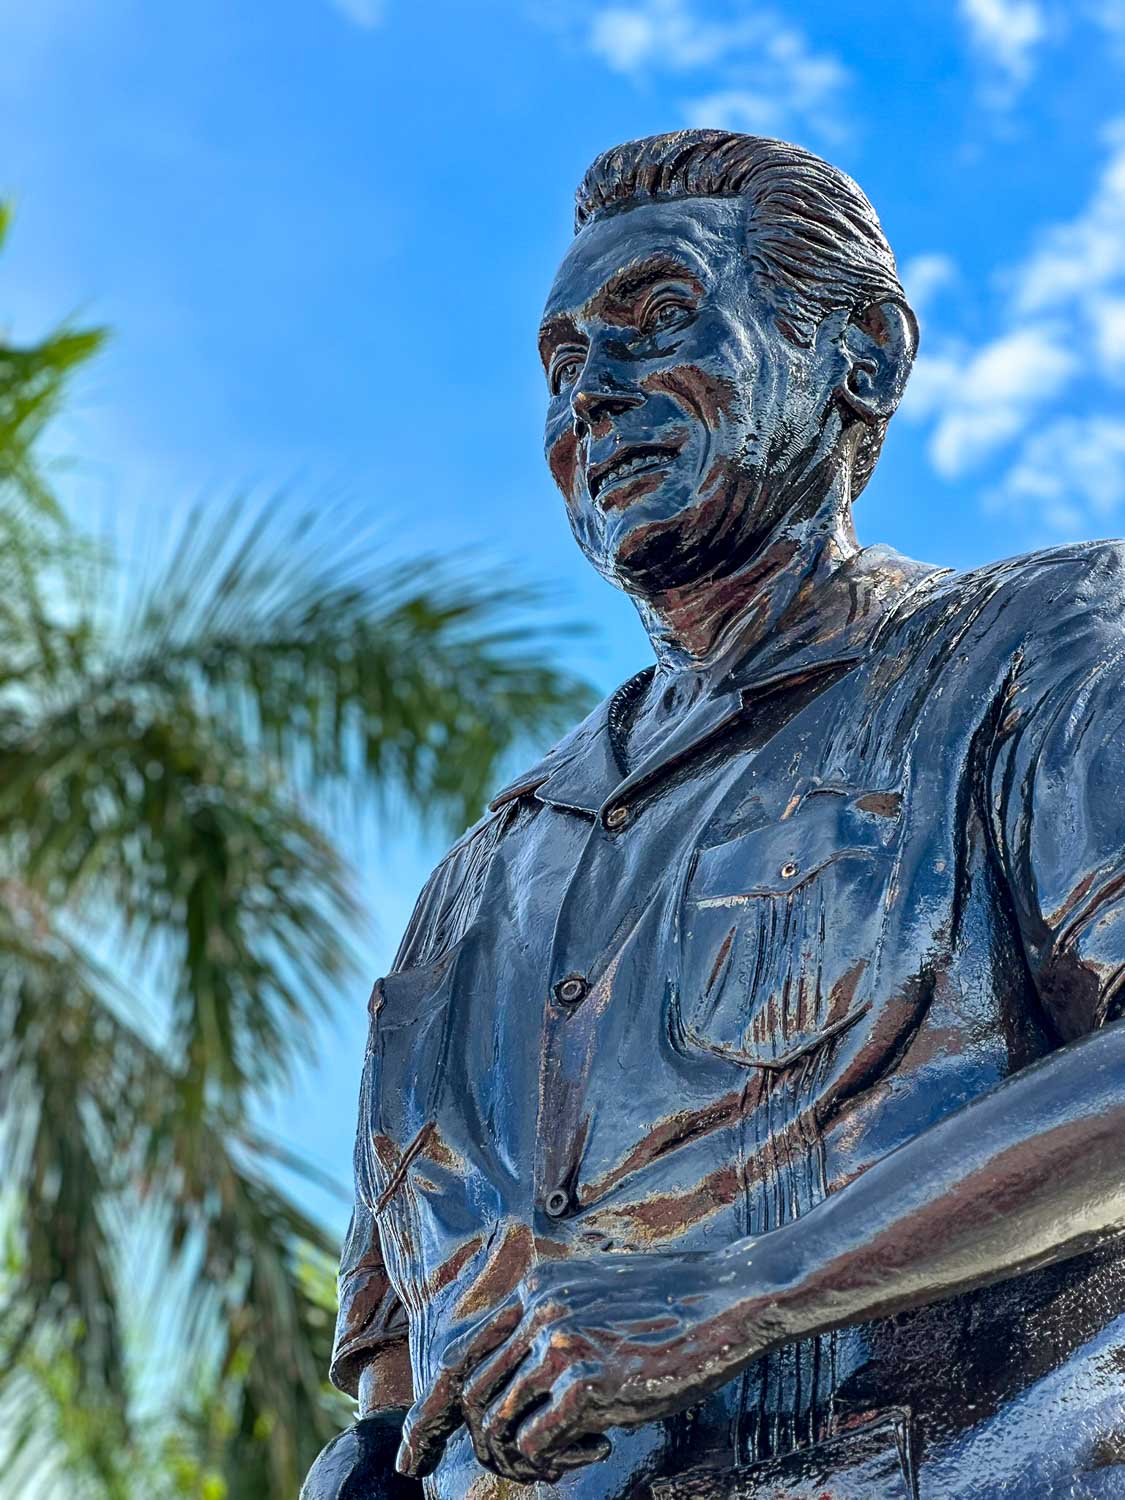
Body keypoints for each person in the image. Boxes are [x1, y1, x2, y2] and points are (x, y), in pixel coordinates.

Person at [303, 131, 1125, 1499]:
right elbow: (398, 1382)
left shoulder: (1049, 644)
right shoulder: (473, 884)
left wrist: (748, 1289)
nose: (596, 396)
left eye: (655, 321)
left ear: (856, 352)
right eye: (562, 367)